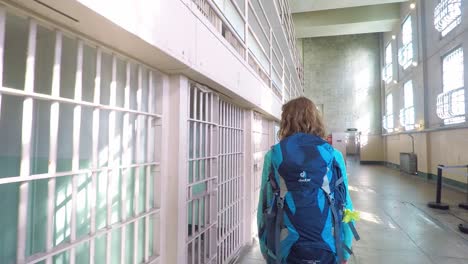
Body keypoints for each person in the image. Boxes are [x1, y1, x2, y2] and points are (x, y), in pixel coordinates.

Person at [257, 97, 357, 264]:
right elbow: (346, 205)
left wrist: (266, 250)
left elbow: (264, 206)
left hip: (284, 248)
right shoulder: (333, 155)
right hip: (329, 248)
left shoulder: (273, 155)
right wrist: (345, 251)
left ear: (285, 122)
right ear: (316, 120)